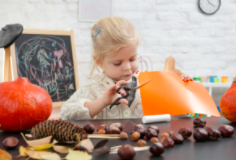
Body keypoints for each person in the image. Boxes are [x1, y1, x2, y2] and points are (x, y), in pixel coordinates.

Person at [61, 16, 191, 120]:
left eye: (132, 59)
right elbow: (66, 114)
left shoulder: (148, 85)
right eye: (118, 63)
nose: (128, 67)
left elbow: (178, 118)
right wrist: (102, 102)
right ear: (99, 62)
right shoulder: (92, 87)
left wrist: (179, 91)